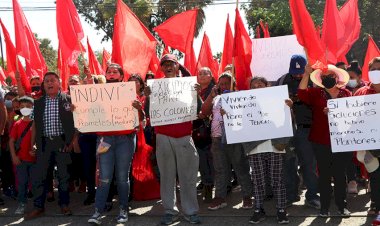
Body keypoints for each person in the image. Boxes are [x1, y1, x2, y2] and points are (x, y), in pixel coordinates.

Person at [145, 54, 201, 225]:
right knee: (167, 177)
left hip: (184, 137)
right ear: (161, 68)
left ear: (177, 66)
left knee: (188, 177)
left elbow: (198, 110)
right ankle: (170, 211)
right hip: (163, 137)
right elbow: (149, 114)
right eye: (165, 64)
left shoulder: (188, 85)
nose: (168, 67)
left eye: (172, 64)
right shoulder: (155, 87)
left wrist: (197, 94)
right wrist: (148, 97)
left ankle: (190, 211)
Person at [87, 63, 145, 224]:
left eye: (115, 72)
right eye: (109, 72)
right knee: (104, 177)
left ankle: (123, 209)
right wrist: (77, 109)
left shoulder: (130, 92)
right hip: (105, 139)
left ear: (121, 76)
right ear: (106, 76)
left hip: (125, 139)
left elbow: (140, 120)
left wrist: (139, 108)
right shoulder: (97, 94)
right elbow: (88, 114)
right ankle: (98, 211)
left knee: (122, 177)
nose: (111, 74)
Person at [298, 64, 352, 217]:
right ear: (321, 79)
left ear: (337, 78)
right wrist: (306, 74)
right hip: (321, 141)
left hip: (342, 141)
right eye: (324, 77)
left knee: (341, 175)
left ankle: (342, 206)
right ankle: (325, 207)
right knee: (324, 175)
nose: (328, 78)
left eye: (331, 76)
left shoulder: (346, 93)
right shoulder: (315, 93)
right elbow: (301, 93)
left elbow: (352, 114)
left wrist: (337, 112)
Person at [25, 72, 76, 220]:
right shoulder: (39, 103)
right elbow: (34, 125)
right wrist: (33, 144)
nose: (49, 83)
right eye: (46, 81)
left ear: (59, 83)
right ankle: (38, 207)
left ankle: (64, 204)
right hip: (44, 144)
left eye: (52, 80)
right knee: (40, 177)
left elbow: (77, 124)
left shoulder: (69, 101)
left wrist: (71, 142)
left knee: (63, 176)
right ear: (44, 85)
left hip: (62, 143)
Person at [201, 72, 253, 211]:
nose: (223, 85)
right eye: (221, 83)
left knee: (240, 167)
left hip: (235, 137)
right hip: (217, 138)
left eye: (226, 83)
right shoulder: (216, 98)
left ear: (233, 84)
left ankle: (247, 196)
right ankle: (220, 197)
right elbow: (204, 112)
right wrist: (210, 97)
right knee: (220, 169)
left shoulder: (239, 96)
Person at [244, 77, 291, 224]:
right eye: (254, 85)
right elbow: (237, 124)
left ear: (267, 86)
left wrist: (288, 108)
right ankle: (258, 210)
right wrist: (228, 115)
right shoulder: (243, 104)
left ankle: (281, 210)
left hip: (274, 147)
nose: (257, 87)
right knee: (258, 182)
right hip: (254, 148)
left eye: (260, 85)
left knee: (277, 180)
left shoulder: (277, 101)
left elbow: (288, 122)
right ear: (250, 89)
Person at [277, 55, 320, 209]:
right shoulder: (282, 80)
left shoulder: (314, 80)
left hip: (305, 128)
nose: (297, 75)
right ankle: (291, 195)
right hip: (286, 128)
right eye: (294, 72)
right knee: (288, 164)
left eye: (300, 72)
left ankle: (312, 195)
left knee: (309, 164)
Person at [354, 57, 380, 226]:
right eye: (374, 69)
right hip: (370, 143)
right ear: (369, 73)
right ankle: (376, 203)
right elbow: (350, 115)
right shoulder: (360, 92)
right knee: (376, 175)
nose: (377, 72)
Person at [9, 96, 35, 214]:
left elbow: (40, 140)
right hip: (21, 160)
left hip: (35, 160)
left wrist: (36, 149)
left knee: (36, 182)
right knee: (22, 183)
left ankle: (37, 204)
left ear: (32, 108)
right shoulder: (17, 124)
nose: (25, 109)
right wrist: (14, 156)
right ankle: (22, 203)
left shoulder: (37, 123)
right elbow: (11, 141)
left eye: (28, 107)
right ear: (19, 108)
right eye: (22, 107)